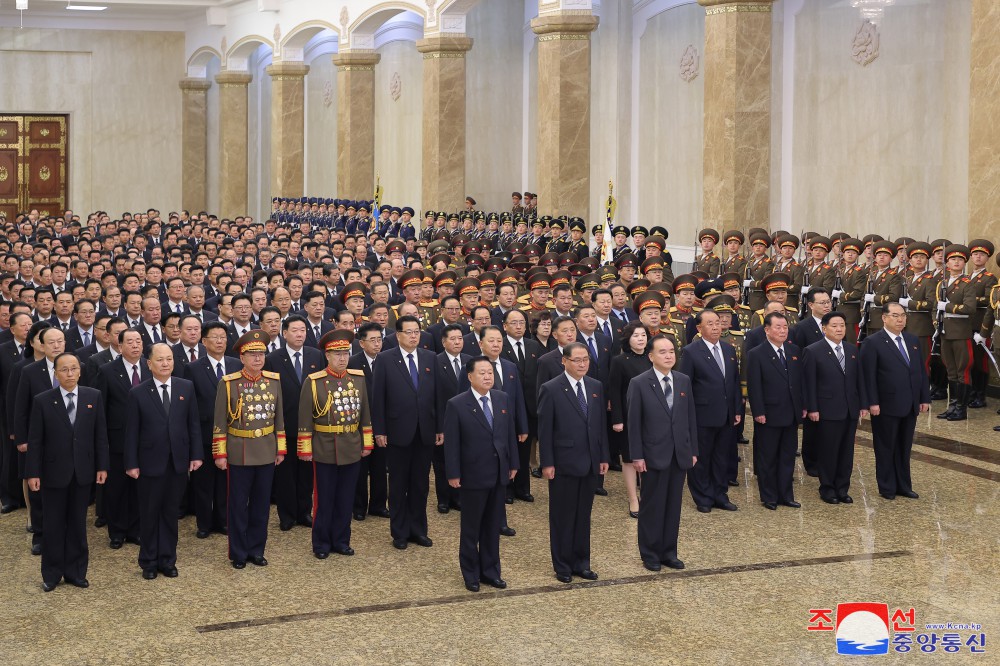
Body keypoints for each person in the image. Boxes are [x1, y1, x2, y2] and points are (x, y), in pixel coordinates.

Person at [25, 352, 109, 592]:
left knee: (77, 524)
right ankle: (51, 574)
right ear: (56, 373)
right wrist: (33, 473)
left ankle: (76, 571)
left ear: (80, 371)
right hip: (53, 472)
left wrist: (102, 466)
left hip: (83, 471)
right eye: (64, 369)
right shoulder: (43, 400)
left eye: (74, 369)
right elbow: (35, 440)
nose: (70, 374)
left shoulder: (93, 396)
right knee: (53, 524)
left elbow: (100, 436)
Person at [124, 343, 202, 580]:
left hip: (177, 462)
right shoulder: (137, 392)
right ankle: (148, 561)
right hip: (149, 463)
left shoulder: (185, 387)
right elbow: (131, 432)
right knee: (149, 513)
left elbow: (193, 425)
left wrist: (196, 454)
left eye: (169, 359)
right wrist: (131, 463)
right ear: (149, 364)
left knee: (170, 513)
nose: (165, 364)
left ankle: (167, 559)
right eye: (160, 360)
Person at [444, 356, 519, 592]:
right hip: (472, 474)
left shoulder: (501, 398)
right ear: (469, 376)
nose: (488, 377)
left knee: (492, 525)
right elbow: (452, 444)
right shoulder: (457, 404)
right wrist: (453, 473)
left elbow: (509, 435)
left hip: (498, 473)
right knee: (471, 527)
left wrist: (513, 463)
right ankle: (471, 573)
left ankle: (491, 571)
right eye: (482, 373)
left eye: (490, 373)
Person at [212, 330, 286, 569]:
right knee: (237, 505)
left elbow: (279, 419)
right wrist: (220, 454)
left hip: (266, 450)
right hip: (239, 451)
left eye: (261, 354)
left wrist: (280, 449)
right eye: (252, 355)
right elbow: (220, 422)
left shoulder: (273, 381)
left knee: (261, 505)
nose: (258, 359)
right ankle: (238, 552)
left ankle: (256, 549)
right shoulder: (229, 383)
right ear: (241, 358)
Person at [538, 342, 609, 583]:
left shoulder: (595, 386)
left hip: (590, 461)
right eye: (577, 360)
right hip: (564, 461)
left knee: (583, 515)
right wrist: (547, 462)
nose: (582, 364)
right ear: (564, 361)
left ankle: (581, 562)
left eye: (585, 360)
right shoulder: (551, 388)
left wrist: (603, 457)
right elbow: (545, 430)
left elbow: (600, 426)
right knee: (562, 515)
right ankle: (563, 565)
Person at [298, 330, 373, 559]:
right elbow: (305, 418)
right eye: (337, 354)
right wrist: (305, 448)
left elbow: (365, 414)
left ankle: (341, 540)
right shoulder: (314, 381)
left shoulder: (357, 379)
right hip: (324, 446)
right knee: (324, 498)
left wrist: (366, 441)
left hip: (350, 444)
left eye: (345, 353)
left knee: (345, 497)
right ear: (327, 356)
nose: (342, 358)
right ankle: (321, 542)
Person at [627, 335, 698, 571]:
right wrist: (637, 455)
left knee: (673, 505)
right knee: (653, 506)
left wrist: (692, 450)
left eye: (671, 351)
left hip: (679, 453)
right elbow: (634, 423)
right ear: (651, 356)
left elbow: (690, 418)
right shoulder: (639, 383)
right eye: (662, 352)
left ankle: (669, 552)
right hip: (652, 454)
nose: (668, 356)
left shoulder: (683, 380)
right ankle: (650, 553)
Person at [371, 315, 439, 550]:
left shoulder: (431, 358)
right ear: (397, 335)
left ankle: (418, 530)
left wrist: (439, 427)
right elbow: (377, 397)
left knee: (421, 484)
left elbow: (437, 396)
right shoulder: (385, 359)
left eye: (416, 332)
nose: (413, 336)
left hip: (425, 431)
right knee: (399, 484)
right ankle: (399, 532)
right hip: (397, 430)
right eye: (408, 332)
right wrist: (379, 429)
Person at [860, 302, 930, 500]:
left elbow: (921, 371)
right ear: (884, 318)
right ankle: (887, 486)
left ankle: (904, 485)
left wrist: (924, 397)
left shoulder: (912, 340)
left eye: (903, 316)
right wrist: (872, 402)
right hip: (885, 405)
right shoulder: (873, 342)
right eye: (895, 315)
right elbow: (869, 376)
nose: (900, 319)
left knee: (904, 446)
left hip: (909, 404)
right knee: (885, 446)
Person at [264, 314, 325, 531]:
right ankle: (287, 515)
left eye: (303, 330)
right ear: (284, 333)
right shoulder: (273, 358)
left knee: (307, 472)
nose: (300, 334)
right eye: (295, 330)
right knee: (285, 473)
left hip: (311, 425)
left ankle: (304, 511)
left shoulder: (316, 355)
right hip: (284, 424)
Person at [678, 309, 740, 513]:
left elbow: (734, 383)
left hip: (726, 414)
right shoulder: (691, 351)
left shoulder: (729, 349)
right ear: (699, 328)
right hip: (702, 414)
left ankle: (720, 494)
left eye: (718, 323)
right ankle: (703, 496)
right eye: (710, 323)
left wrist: (737, 409)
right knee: (702, 458)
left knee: (722, 457)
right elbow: (685, 386)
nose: (716, 327)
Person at [802, 312, 867, 504]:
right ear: (824, 328)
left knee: (846, 452)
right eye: (834, 326)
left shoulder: (852, 349)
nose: (839, 329)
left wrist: (862, 404)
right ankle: (827, 488)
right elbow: (809, 383)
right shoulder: (813, 351)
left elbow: (859, 379)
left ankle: (842, 488)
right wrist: (812, 408)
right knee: (828, 450)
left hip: (849, 409)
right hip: (826, 409)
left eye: (842, 325)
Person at [185, 321, 241, 538]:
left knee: (226, 481)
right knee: (203, 482)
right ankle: (204, 523)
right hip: (205, 432)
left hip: (233, 433)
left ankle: (223, 520)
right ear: (204, 341)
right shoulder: (193, 368)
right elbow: (191, 404)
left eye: (223, 337)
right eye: (215, 337)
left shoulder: (236, 364)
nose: (220, 341)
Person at [94, 328, 149, 549]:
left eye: (138, 341)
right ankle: (117, 532)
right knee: (116, 488)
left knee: (138, 487)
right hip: (117, 439)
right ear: (120, 346)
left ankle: (135, 530)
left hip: (145, 438)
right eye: (130, 342)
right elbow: (101, 408)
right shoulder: (107, 371)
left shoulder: (150, 366)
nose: (135, 345)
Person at [746, 312, 804, 510]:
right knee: (768, 457)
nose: (782, 331)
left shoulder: (794, 350)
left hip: (790, 413)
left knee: (787, 456)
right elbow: (754, 386)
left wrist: (801, 407)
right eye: (778, 327)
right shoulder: (757, 353)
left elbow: (798, 384)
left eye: (785, 327)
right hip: (768, 414)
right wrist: (758, 411)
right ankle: (769, 496)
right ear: (767, 330)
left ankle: (786, 495)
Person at [608, 322, 651, 518]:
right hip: (629, 415)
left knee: (648, 456)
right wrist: (617, 419)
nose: (640, 339)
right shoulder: (619, 360)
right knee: (629, 458)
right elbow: (615, 391)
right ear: (628, 339)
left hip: (652, 415)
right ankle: (633, 498)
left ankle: (648, 496)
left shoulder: (653, 357)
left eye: (643, 335)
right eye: (636, 335)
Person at [348, 322, 389, 521]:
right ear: (362, 343)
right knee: (360, 467)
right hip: (359, 423)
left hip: (382, 422)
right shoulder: (352, 363)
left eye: (379, 339)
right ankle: (358, 506)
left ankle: (379, 505)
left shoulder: (388, 360)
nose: (377, 344)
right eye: (372, 340)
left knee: (380, 468)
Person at [433, 324, 470, 514]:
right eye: (453, 339)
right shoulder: (435, 362)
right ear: (443, 341)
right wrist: (438, 426)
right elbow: (434, 398)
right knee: (442, 462)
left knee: (463, 459)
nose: (457, 342)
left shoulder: (471, 361)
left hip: (467, 420)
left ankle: (459, 497)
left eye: (460, 338)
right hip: (444, 420)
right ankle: (443, 499)